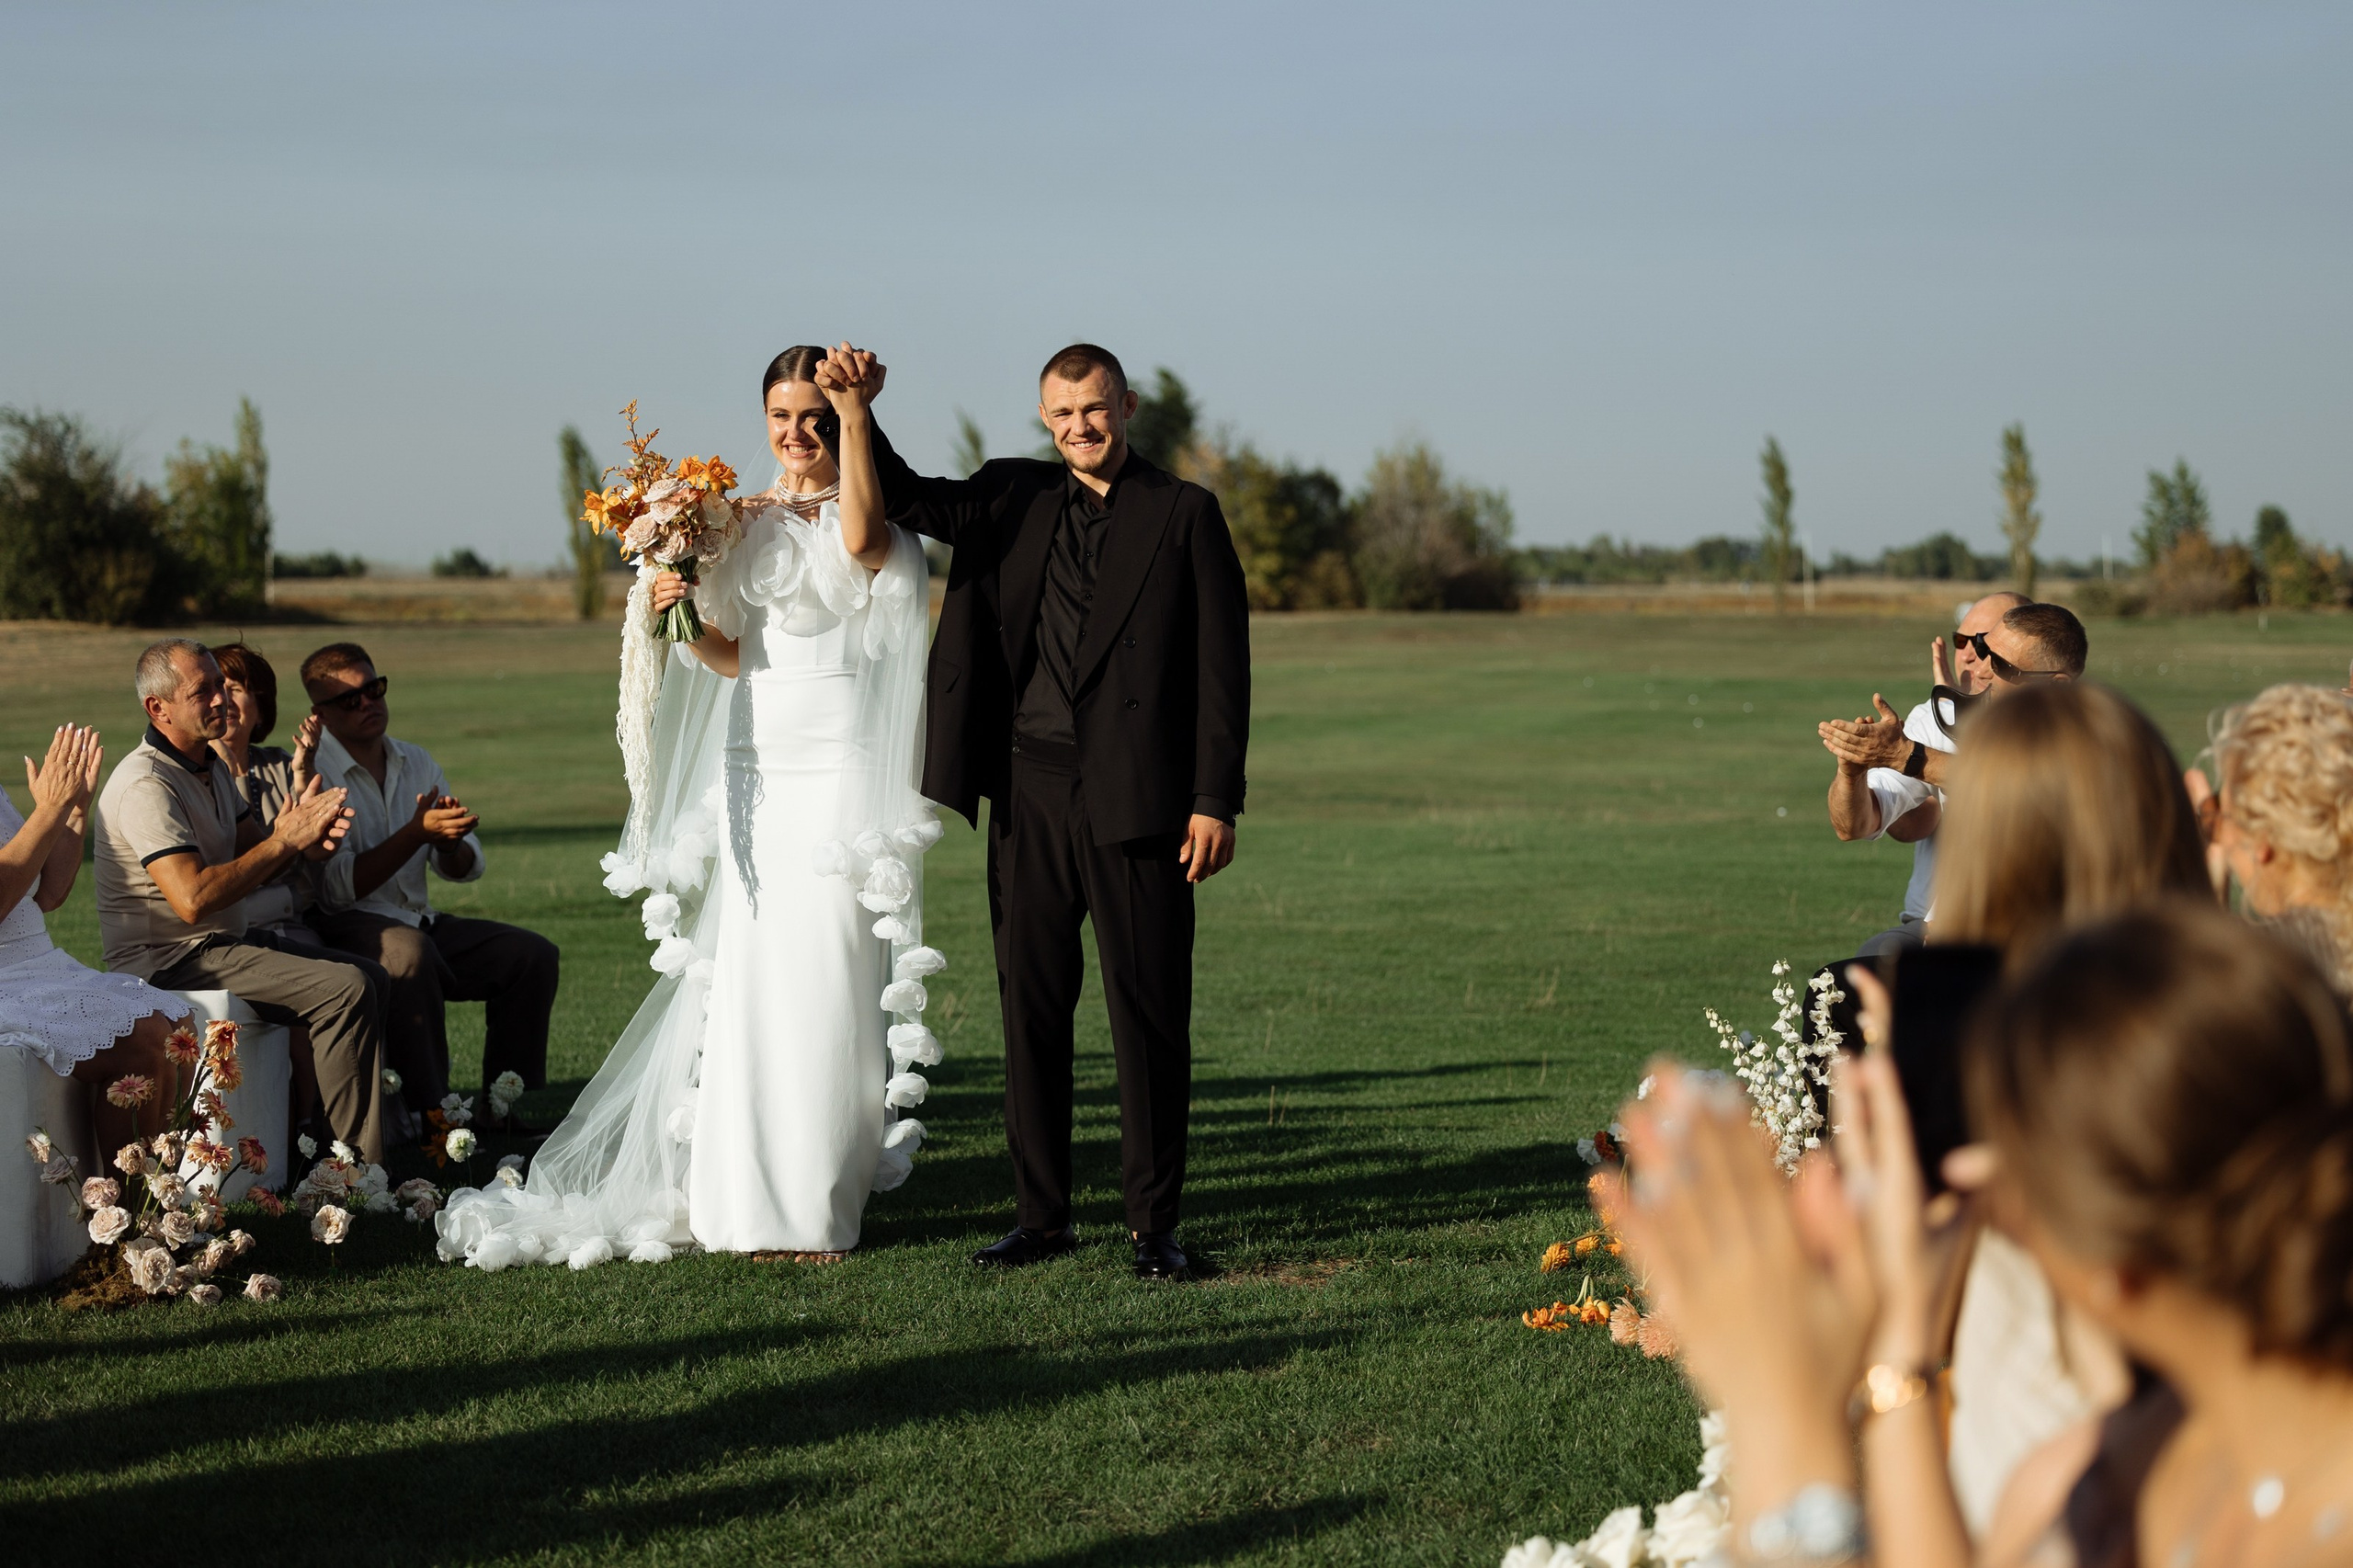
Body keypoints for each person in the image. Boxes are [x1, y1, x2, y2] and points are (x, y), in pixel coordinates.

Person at [1610, 902, 2353, 1568]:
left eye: (2018, 1188)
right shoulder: (2101, 1476)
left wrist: (1786, 1423)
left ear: (2114, 1263)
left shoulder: (2121, 1489)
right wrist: (1903, 1333)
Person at [434, 344, 938, 1271]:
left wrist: (857, 412)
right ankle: (741, 1200)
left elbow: (863, 545)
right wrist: (678, 614)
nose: (797, 434)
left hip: (837, 764)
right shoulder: (735, 521)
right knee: (754, 977)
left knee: (827, 970)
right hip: (756, 761)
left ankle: (816, 1201)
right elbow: (737, 658)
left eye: (815, 417)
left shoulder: (874, 513)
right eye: (782, 417)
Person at [854, 341, 1252, 1282]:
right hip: (1028, 794)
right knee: (1029, 1009)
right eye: (1064, 413)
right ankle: (1039, 1220)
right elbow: (905, 498)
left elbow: (1222, 667)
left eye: (1096, 408)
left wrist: (1214, 800)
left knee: (1147, 1018)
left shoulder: (1185, 512)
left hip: (1142, 802)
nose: (1081, 426)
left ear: (1128, 406)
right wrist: (857, 408)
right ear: (1044, 417)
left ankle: (1153, 1227)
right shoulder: (1010, 494)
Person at [90, 640, 389, 1162]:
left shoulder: (205, 764)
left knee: (372, 976)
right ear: (158, 708)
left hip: (220, 944)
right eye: (202, 691)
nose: (220, 699)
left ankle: (331, 1149)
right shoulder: (145, 784)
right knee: (346, 989)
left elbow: (260, 853)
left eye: (221, 686)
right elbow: (191, 899)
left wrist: (305, 840)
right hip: (169, 961)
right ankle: (355, 1169)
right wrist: (284, 841)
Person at [301, 642, 558, 1131]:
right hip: (345, 928)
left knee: (531, 955)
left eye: (374, 689)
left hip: (418, 920)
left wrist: (449, 841)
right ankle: (434, 1119)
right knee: (409, 953)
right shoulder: (317, 774)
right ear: (321, 714)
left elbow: (464, 869)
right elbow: (335, 890)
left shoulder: (414, 760)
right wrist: (416, 833)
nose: (368, 703)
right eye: (350, 699)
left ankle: (502, 1108)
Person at [1, 724, 186, 1156]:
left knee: (177, 1027)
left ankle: (162, 1189)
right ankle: (126, 1195)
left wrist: (72, 811)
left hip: (40, 967)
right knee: (142, 1039)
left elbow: (46, 894)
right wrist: (49, 809)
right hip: (8, 979)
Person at [1821, 593, 2029, 955]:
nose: (1967, 653)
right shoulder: (1933, 718)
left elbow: (2013, 785)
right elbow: (1854, 826)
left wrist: (1907, 753)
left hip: (2025, 929)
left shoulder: (2060, 724)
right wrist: (1852, 774)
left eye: (1982, 642)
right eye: (1960, 640)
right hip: (1931, 925)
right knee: (1860, 970)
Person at [2186, 682, 2353, 995]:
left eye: (2222, 816)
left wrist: (2205, 914)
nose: (2217, 835)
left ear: (2262, 842)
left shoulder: (2269, 972)